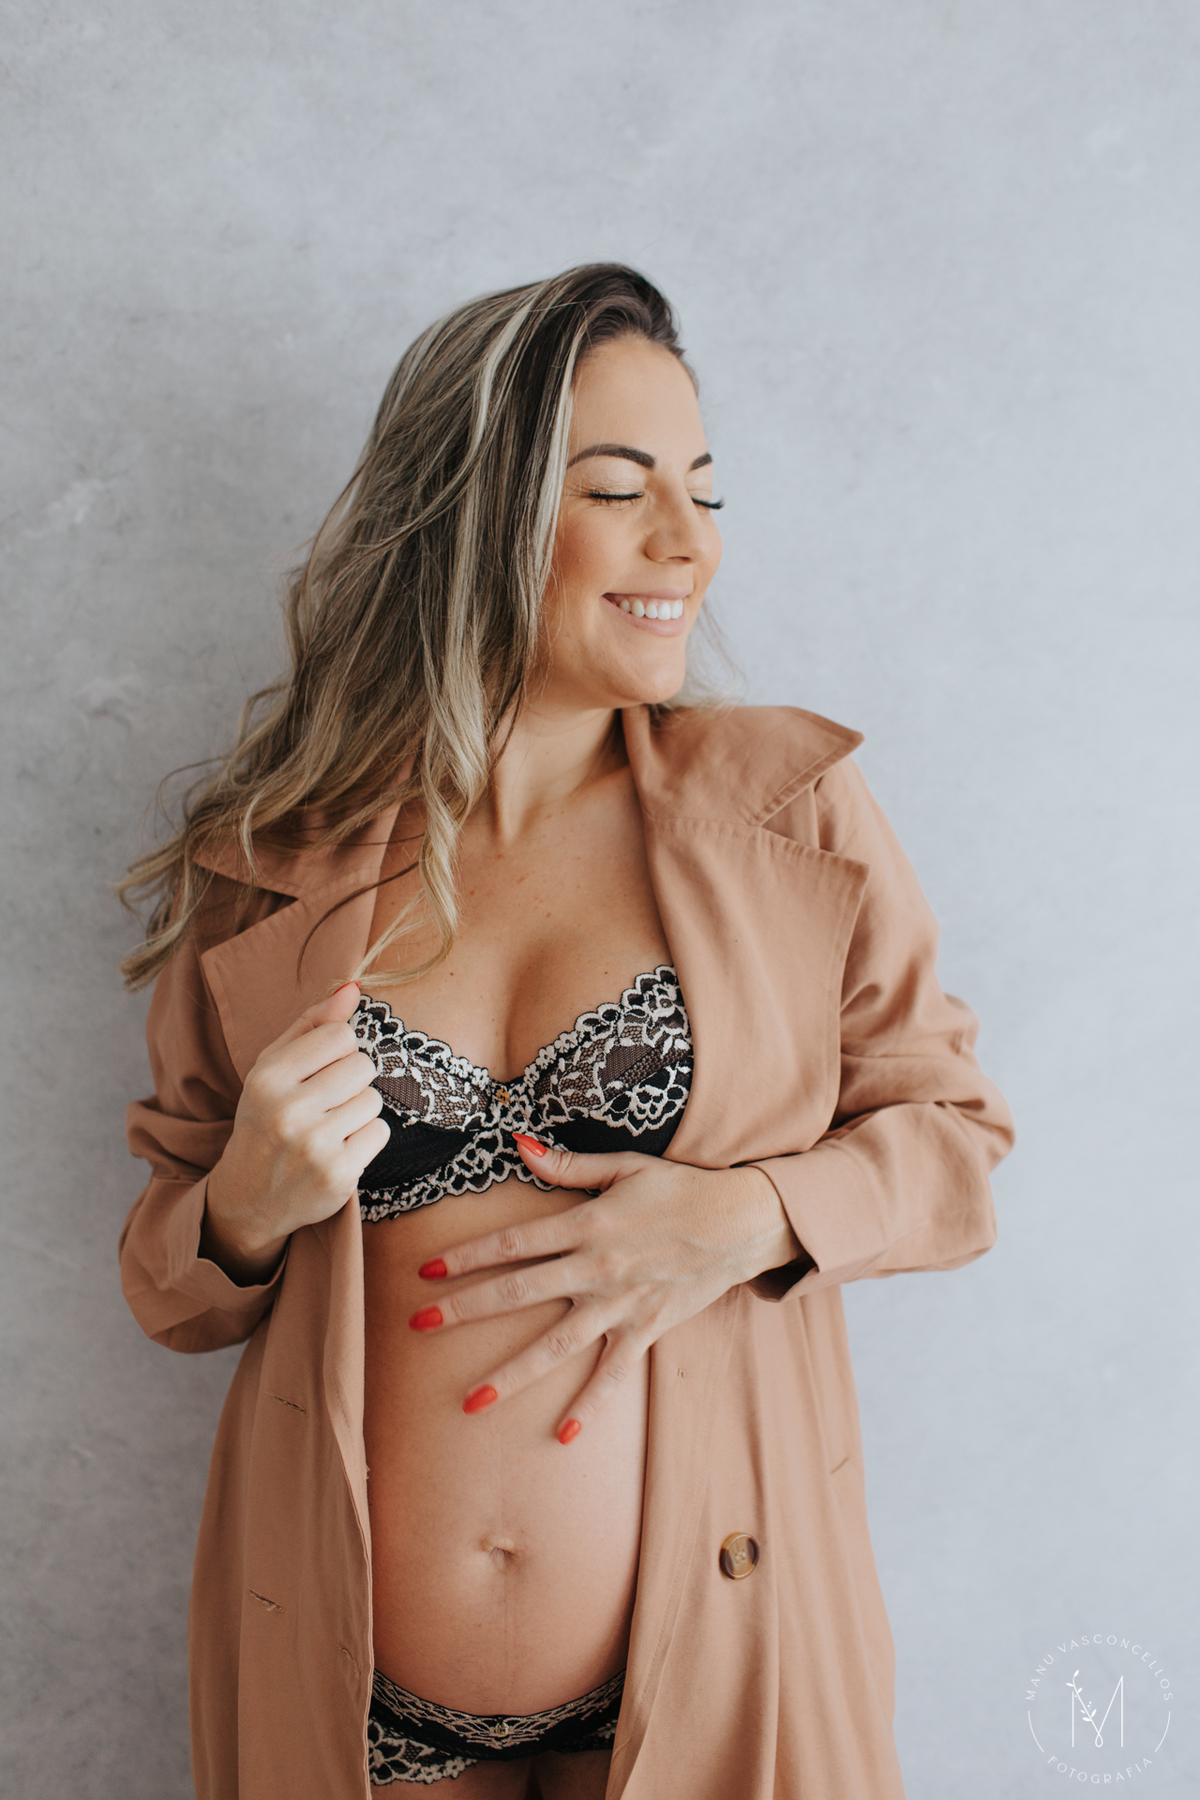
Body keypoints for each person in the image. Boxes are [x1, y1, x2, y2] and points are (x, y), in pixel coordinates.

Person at [119, 264, 1014, 1800]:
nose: (689, 541)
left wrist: (748, 1215)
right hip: (352, 1688)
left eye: (704, 491)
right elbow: (166, 1281)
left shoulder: (787, 812)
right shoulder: (269, 860)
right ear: (476, 512)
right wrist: (248, 1205)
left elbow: (956, 1150)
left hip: (726, 1646)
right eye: (621, 488)